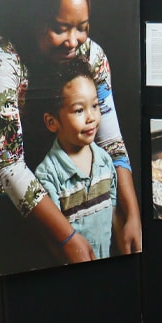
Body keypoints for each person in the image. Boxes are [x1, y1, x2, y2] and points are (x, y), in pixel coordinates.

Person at [0, 0, 141, 279]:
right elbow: (9, 166)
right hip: (4, 194)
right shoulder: (0, 57)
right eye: (60, 28)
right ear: (36, 17)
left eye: (82, 28)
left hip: (74, 184)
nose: (73, 41)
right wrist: (68, 237)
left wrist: (130, 214)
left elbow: (112, 140)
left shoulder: (92, 55)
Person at [35, 57, 118, 260]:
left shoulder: (105, 162)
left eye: (95, 106)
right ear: (52, 122)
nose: (91, 117)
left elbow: (112, 216)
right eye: (79, 110)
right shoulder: (47, 175)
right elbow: (52, 239)